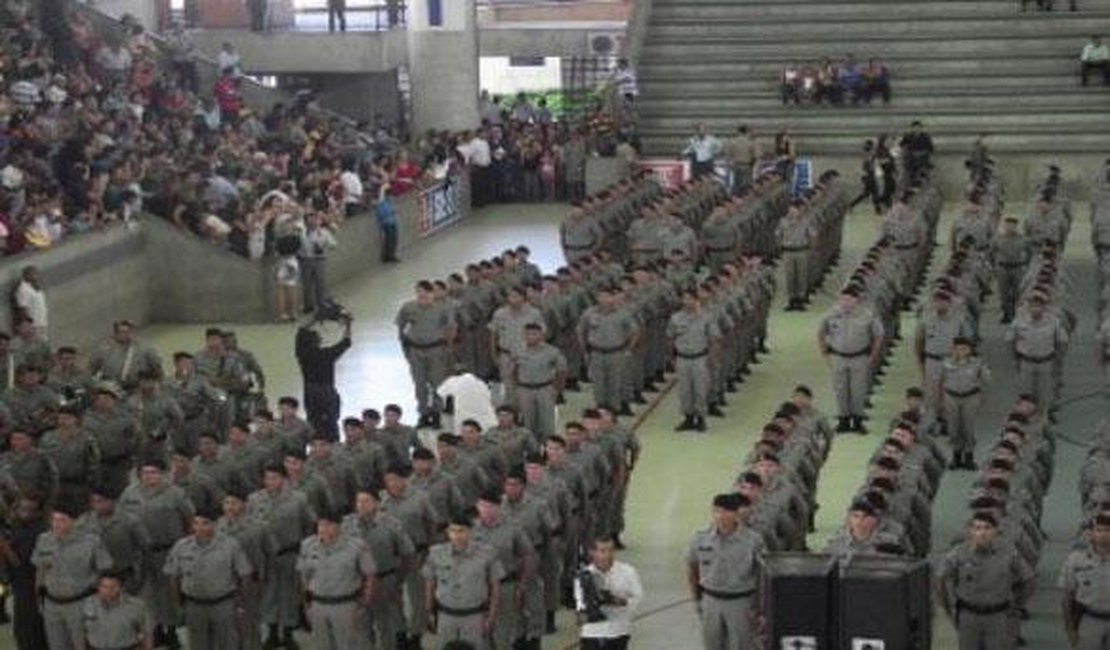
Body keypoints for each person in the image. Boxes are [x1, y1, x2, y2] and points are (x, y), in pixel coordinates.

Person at [938, 512, 1035, 650]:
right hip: (968, 615)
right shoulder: (959, 553)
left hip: (999, 616)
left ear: (995, 531)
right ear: (971, 531)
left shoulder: (1008, 552)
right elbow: (940, 578)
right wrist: (947, 607)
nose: (982, 533)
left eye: (987, 528)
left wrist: (1017, 604)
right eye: (977, 528)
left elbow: (1029, 579)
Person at [163, 505, 252, 650]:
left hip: (223, 604)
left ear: (215, 524)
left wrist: (241, 603)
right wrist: (178, 605)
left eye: (205, 523)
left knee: (228, 644)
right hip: (194, 605)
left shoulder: (230, 545)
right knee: (198, 645)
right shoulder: (181, 546)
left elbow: (245, 574)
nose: (199, 528)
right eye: (196, 523)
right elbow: (173, 577)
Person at [32, 500, 114, 650]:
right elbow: (40, 571)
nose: (56, 524)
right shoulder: (44, 540)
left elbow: (105, 571)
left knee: (83, 645)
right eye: (54, 520)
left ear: (75, 521)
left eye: (62, 520)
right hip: (52, 604)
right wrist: (38, 597)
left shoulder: (91, 541)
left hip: (80, 603)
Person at [687, 493, 763, 650]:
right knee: (712, 643)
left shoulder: (753, 541)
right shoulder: (701, 538)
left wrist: (759, 607)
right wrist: (697, 599)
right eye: (716, 511)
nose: (720, 516)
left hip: (741, 601)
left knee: (742, 644)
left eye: (726, 512)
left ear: (736, 514)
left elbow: (761, 574)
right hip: (711, 600)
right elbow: (692, 567)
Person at [297, 509, 376, 650]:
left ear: (338, 526)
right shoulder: (307, 545)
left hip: (345, 605)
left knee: (350, 645)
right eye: (320, 525)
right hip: (318, 605)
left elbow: (369, 576)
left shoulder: (356, 546)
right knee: (322, 645)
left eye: (328, 525)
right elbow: (305, 578)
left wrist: (364, 605)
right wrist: (306, 605)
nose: (322, 529)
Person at [423, 514, 505, 650]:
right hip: (445, 616)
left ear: (470, 531)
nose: (457, 535)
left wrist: (491, 618)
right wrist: (429, 611)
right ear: (448, 532)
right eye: (453, 531)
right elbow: (429, 584)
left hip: (474, 617)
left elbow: (495, 589)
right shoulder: (436, 554)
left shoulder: (486, 554)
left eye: (461, 531)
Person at [817, 287, 884, 433]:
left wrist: (873, 356)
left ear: (856, 301)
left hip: (859, 357)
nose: (845, 303)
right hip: (838, 357)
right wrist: (824, 354)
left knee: (859, 390)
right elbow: (821, 333)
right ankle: (843, 420)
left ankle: (858, 420)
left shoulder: (867, 315)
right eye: (843, 299)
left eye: (849, 299)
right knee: (840, 389)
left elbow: (878, 336)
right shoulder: (831, 314)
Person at [574, 536, 643, 650]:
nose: (608, 555)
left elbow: (638, 598)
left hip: (618, 632)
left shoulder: (628, 572)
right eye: (602, 551)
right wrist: (589, 608)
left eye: (611, 550)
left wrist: (620, 601)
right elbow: (579, 614)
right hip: (592, 634)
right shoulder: (583, 576)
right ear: (592, 552)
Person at [295, 311, 352, 442]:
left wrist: (317, 317)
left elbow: (302, 329)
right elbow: (346, 342)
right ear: (318, 342)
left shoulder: (302, 355)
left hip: (310, 391)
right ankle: (332, 443)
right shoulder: (327, 355)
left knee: (313, 421)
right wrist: (348, 325)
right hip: (327, 391)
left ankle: (316, 443)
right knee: (331, 422)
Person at [668, 289, 720, 432]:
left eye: (690, 298)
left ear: (697, 300)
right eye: (684, 299)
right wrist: (671, 357)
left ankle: (701, 418)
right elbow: (670, 338)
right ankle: (688, 418)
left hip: (700, 358)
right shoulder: (675, 318)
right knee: (684, 390)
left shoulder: (706, 317)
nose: (687, 302)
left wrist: (712, 358)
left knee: (700, 389)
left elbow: (714, 339)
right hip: (683, 358)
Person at [1059, 512, 1110, 648]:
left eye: (1108, 530)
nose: (1104, 535)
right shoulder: (1076, 560)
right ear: (1092, 533)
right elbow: (1067, 598)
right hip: (1089, 619)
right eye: (1099, 530)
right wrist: (1071, 629)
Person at [940, 337, 990, 470]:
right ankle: (956, 457)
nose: (961, 351)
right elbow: (940, 381)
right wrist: (941, 400)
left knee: (968, 428)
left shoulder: (977, 363)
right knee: (954, 428)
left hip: (970, 397)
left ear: (969, 350)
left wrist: (982, 397)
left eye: (964, 348)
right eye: (958, 348)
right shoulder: (946, 363)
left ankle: (969, 457)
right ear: (953, 349)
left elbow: (987, 380)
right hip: (951, 397)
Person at [512, 322, 567, 442]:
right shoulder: (518, 351)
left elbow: (562, 370)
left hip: (545, 389)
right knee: (527, 423)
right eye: (528, 334)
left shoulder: (552, 351)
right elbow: (514, 369)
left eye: (534, 334)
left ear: (541, 335)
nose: (531, 337)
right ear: (524, 335)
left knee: (547, 423)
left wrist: (556, 389)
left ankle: (548, 450)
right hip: (525, 390)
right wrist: (517, 387)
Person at [82, 573, 153, 650]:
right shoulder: (87, 605)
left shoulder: (136, 606)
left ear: (121, 587)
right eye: (104, 587)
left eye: (113, 587)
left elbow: (146, 633)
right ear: (98, 587)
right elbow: (82, 633)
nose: (108, 591)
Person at [437, 365, 498, 434]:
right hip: (487, 421)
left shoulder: (452, 381)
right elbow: (490, 398)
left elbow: (440, 394)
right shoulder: (480, 383)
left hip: (464, 420)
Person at [300, 212, 338, 315]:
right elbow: (297, 247)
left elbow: (334, 245)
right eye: (309, 219)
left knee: (320, 283)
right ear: (306, 222)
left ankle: (321, 304)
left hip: (319, 260)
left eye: (314, 219)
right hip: (306, 260)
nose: (312, 222)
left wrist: (324, 245)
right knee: (306, 284)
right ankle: (308, 305)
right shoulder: (301, 233)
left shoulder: (324, 232)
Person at [13, 265, 46, 338]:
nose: (36, 276)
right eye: (33, 274)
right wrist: (27, 325)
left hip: (41, 322)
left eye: (36, 274)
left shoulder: (34, 286)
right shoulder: (23, 290)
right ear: (27, 275)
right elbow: (23, 308)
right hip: (34, 325)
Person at [376, 182, 400, 263]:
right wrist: (383, 188)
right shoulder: (382, 202)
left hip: (392, 222)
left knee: (393, 240)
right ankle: (388, 256)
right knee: (388, 240)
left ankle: (391, 255)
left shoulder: (389, 202)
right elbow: (381, 196)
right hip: (386, 223)